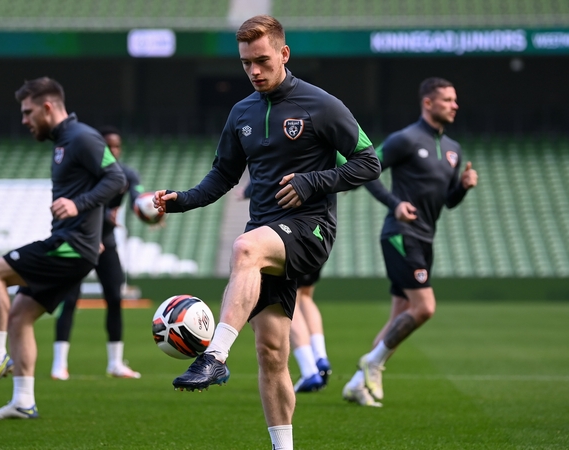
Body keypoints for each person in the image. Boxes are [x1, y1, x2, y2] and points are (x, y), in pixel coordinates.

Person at [152, 15, 381, 450]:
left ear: (283, 54)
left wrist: (314, 181)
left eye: (261, 60)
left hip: (311, 230)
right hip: (266, 233)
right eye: (245, 64)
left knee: (244, 247)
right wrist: (179, 199)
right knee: (272, 354)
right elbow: (221, 177)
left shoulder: (322, 105)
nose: (254, 71)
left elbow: (369, 161)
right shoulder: (242, 113)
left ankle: (214, 355)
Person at [0, 77, 126, 420]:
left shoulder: (82, 137)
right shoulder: (64, 140)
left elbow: (116, 179)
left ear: (48, 107)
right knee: (20, 316)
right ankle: (23, 401)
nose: (24, 120)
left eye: (27, 112)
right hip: (75, 246)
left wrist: (78, 205)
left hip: (69, 247)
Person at [342, 77, 478, 407]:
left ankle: (357, 384)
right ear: (428, 103)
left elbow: (447, 201)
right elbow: (364, 169)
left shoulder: (453, 150)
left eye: (455, 99)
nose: (454, 105)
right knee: (425, 308)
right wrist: (395, 204)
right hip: (401, 236)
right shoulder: (405, 139)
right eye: (447, 99)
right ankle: (373, 364)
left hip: (425, 238)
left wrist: (463, 187)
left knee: (398, 319)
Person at [51, 126, 142, 381]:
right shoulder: (86, 174)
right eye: (108, 146)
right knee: (69, 300)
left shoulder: (125, 174)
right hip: (80, 239)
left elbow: (137, 196)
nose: (113, 150)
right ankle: (59, 365)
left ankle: (115, 363)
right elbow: (82, 205)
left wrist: (148, 210)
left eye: (116, 146)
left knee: (114, 298)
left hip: (106, 243)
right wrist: (98, 226)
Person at [238, 183, 332, 394]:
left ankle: (309, 370)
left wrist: (248, 190)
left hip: (290, 231)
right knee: (306, 296)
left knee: (292, 300)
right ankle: (320, 355)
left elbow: (275, 167)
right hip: (318, 229)